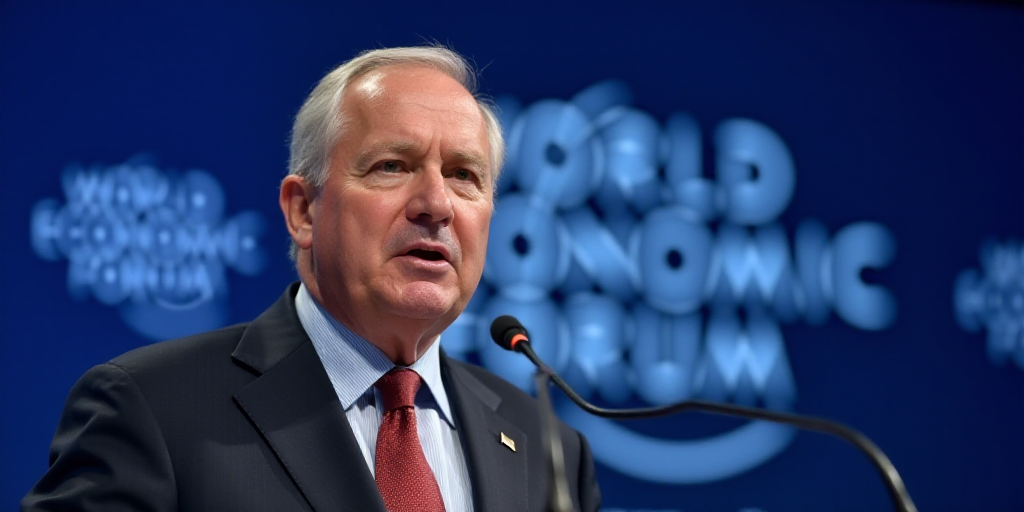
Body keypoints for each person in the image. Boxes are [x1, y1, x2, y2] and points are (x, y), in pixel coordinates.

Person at [22, 46, 602, 512]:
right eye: (392, 166)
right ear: (303, 210)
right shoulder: (152, 409)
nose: (436, 203)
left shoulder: (548, 448)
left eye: (464, 175)